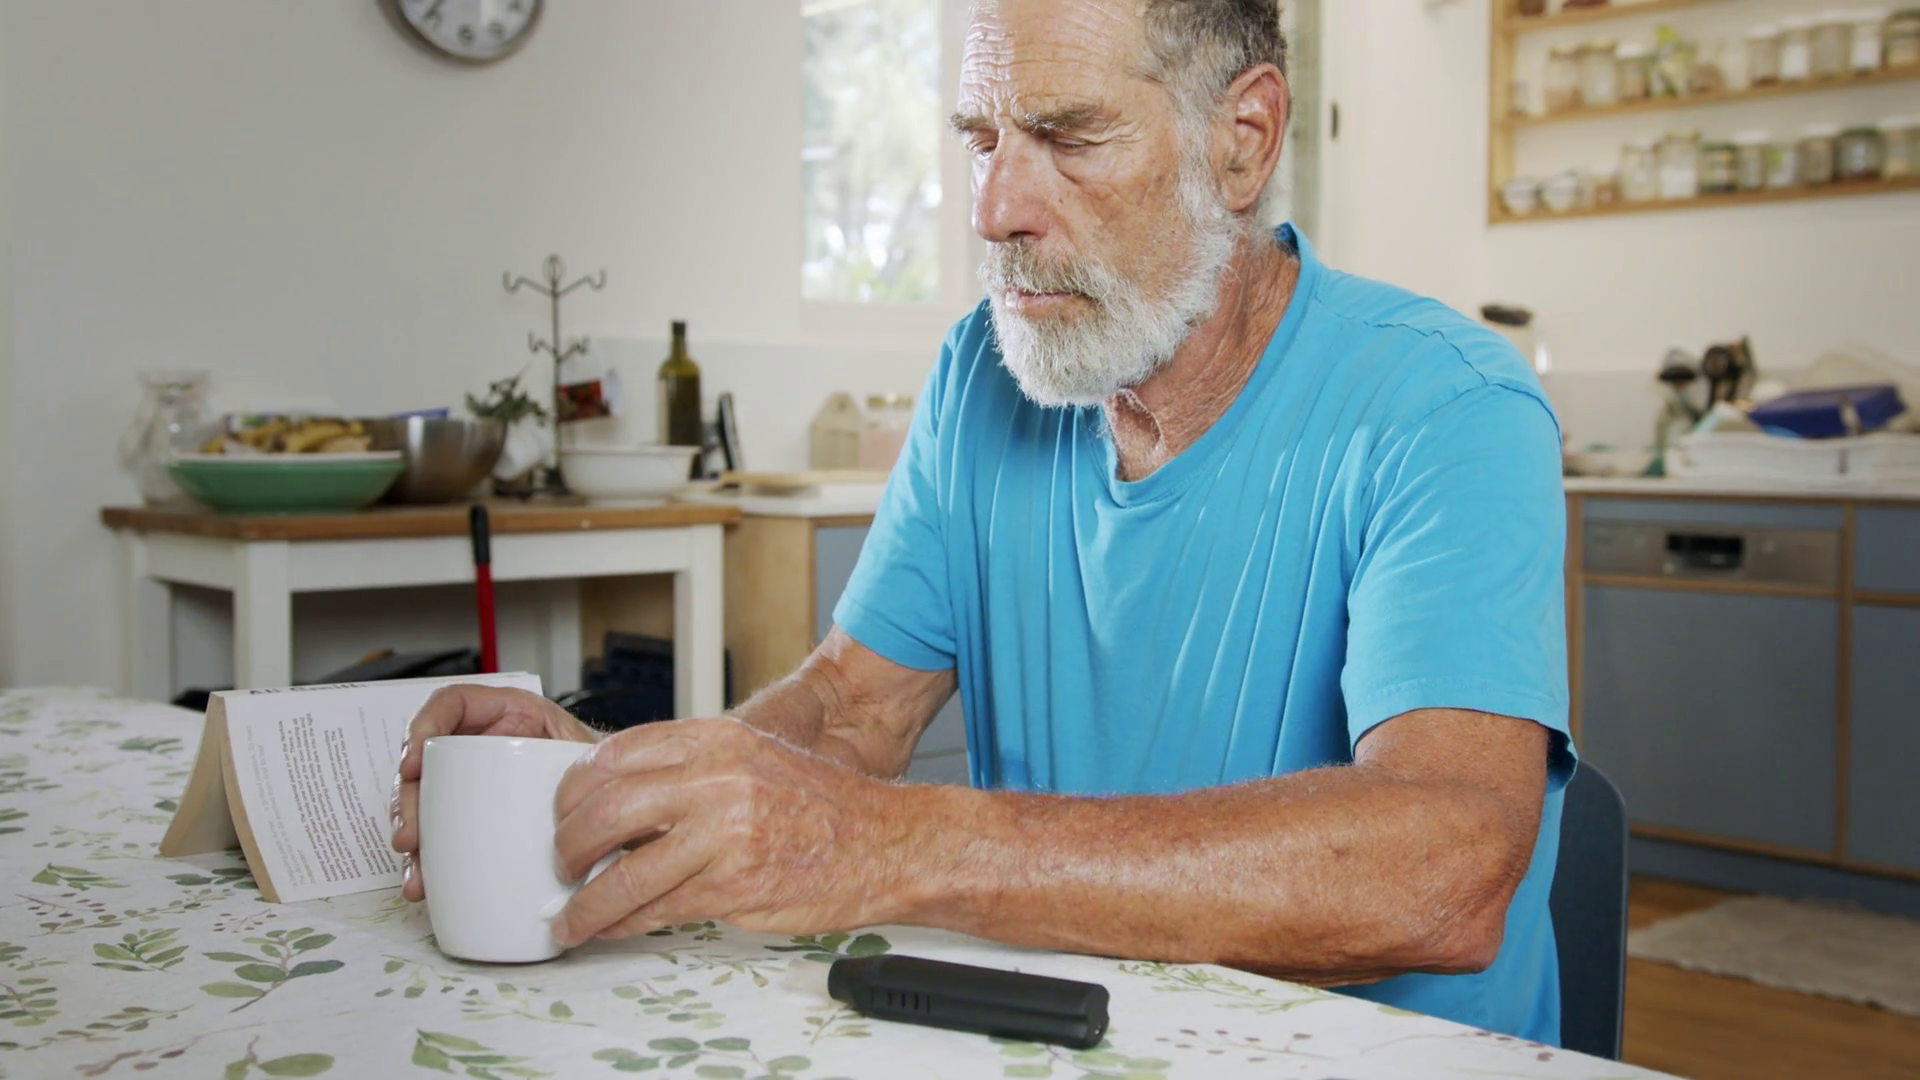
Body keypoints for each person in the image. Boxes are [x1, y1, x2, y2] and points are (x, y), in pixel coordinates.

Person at [391, 0, 1573, 1045]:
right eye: (982, 140)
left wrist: (890, 844)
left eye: (1069, 136)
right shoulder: (982, 374)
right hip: (1074, 1037)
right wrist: (612, 786)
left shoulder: (1447, 407)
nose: (998, 209)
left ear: (1243, 140)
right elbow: (849, 713)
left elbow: (1445, 868)